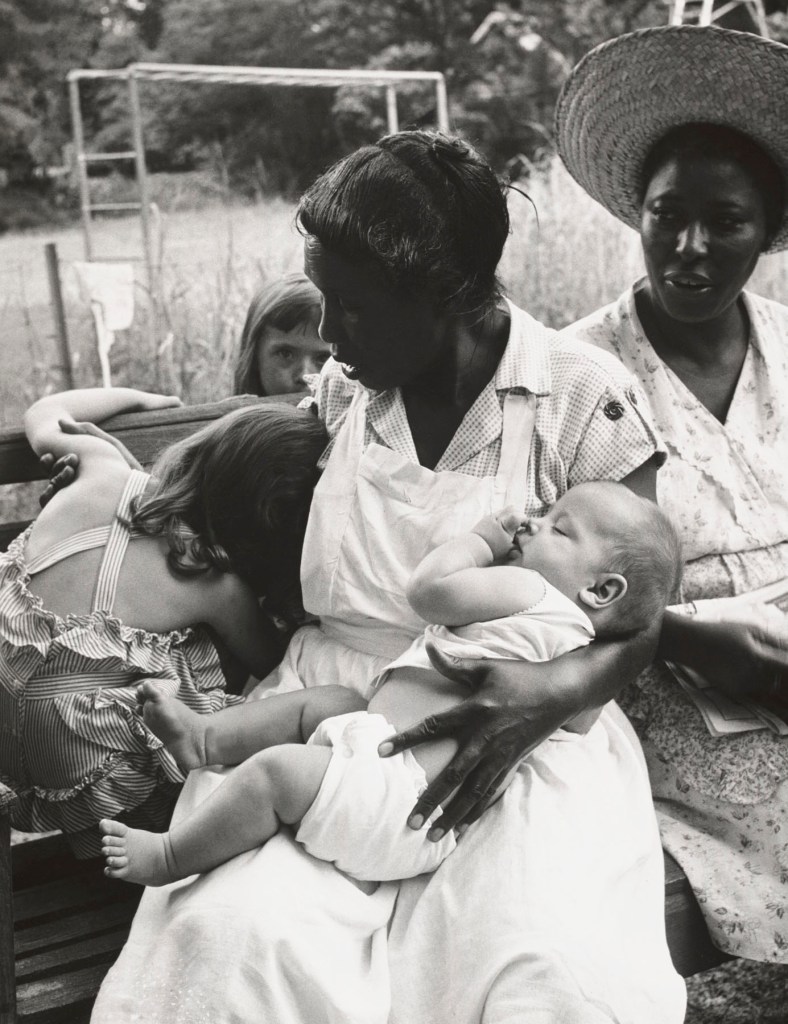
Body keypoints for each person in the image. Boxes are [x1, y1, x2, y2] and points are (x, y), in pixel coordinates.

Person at [91, 129, 686, 1024]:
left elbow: (636, 616)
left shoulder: (578, 396)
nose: (327, 336)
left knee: (541, 968)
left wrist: (536, 699)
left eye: (353, 308)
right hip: (325, 717)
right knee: (238, 941)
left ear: (445, 296)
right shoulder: (348, 393)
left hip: (512, 740)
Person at [98, 483, 683, 888]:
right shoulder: (579, 651)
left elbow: (427, 592)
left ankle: (173, 854)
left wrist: (481, 540)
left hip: (389, 789)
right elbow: (577, 722)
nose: (532, 522)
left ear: (601, 590)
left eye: (560, 527)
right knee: (331, 705)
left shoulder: (528, 591)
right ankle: (205, 740)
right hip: (417, 812)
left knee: (275, 774)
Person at [555, 24, 788, 962]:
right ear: (636, 213)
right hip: (672, 683)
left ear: (768, 234)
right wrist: (702, 642)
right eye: (665, 214)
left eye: (726, 223)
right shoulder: (579, 373)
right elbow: (557, 582)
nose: (688, 247)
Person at [0, 388, 326, 857]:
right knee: (229, 666)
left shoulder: (100, 466)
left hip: (7, 717)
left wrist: (149, 399)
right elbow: (276, 661)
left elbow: (43, 411)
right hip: (78, 768)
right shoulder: (219, 586)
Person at [233, 272, 330, 397]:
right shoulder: (222, 415)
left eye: (323, 359)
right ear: (255, 357)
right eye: (285, 354)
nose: (304, 376)